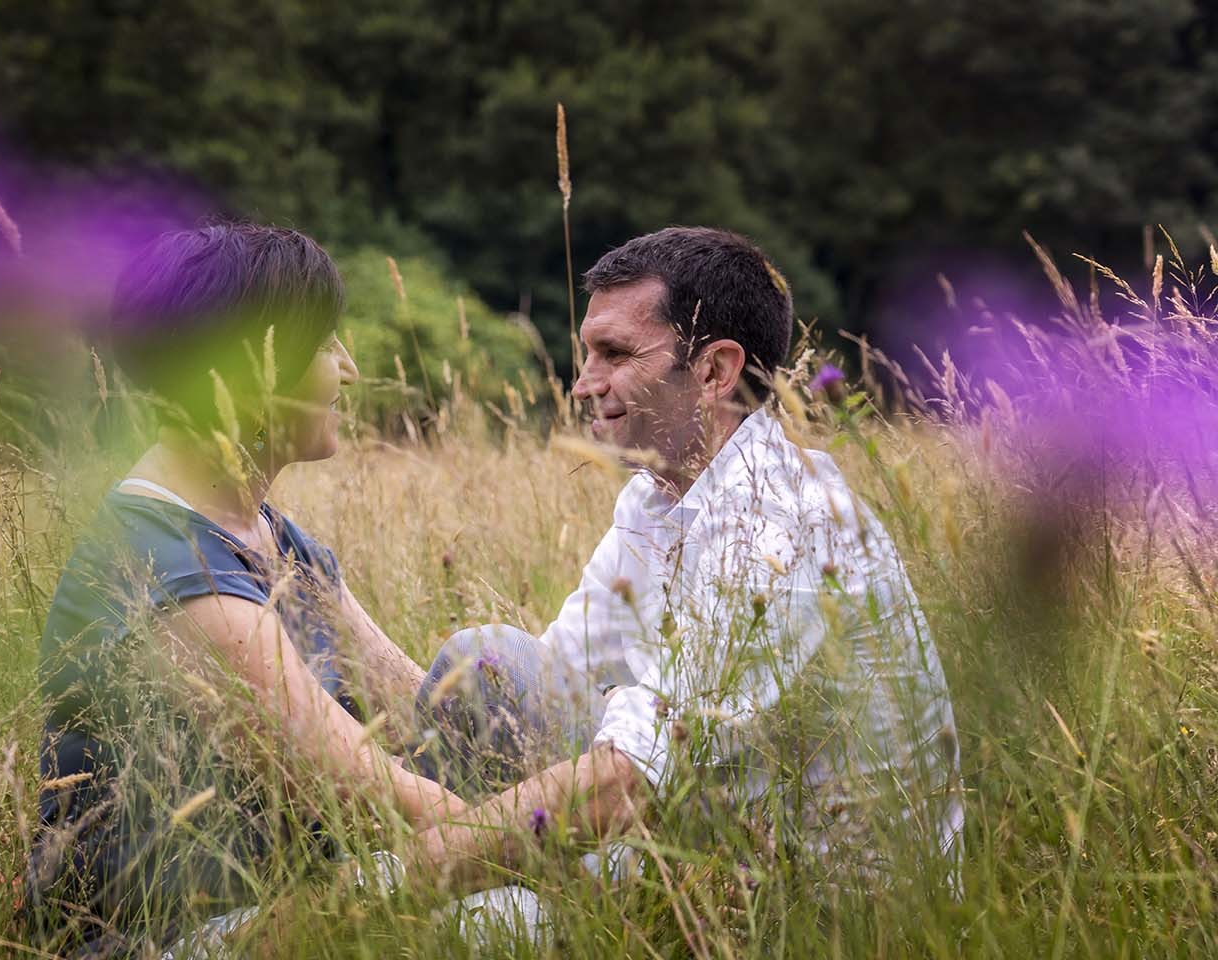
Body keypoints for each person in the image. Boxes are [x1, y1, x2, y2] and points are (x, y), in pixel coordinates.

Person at [369, 226, 965, 941]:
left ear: (715, 371)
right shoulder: (657, 496)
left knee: (459, 925)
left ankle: (382, 900)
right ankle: (414, 897)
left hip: (813, 910)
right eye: (588, 353)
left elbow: (632, 779)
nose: (584, 383)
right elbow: (556, 683)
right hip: (705, 845)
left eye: (616, 355)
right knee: (486, 663)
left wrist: (404, 875)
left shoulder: (782, 523)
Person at [23, 223, 463, 956]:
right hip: (165, 940)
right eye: (326, 345)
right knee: (514, 916)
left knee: (496, 664)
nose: (350, 369)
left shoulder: (270, 536)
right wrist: (538, 826)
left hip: (294, 901)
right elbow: (359, 786)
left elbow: (411, 698)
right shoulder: (163, 567)